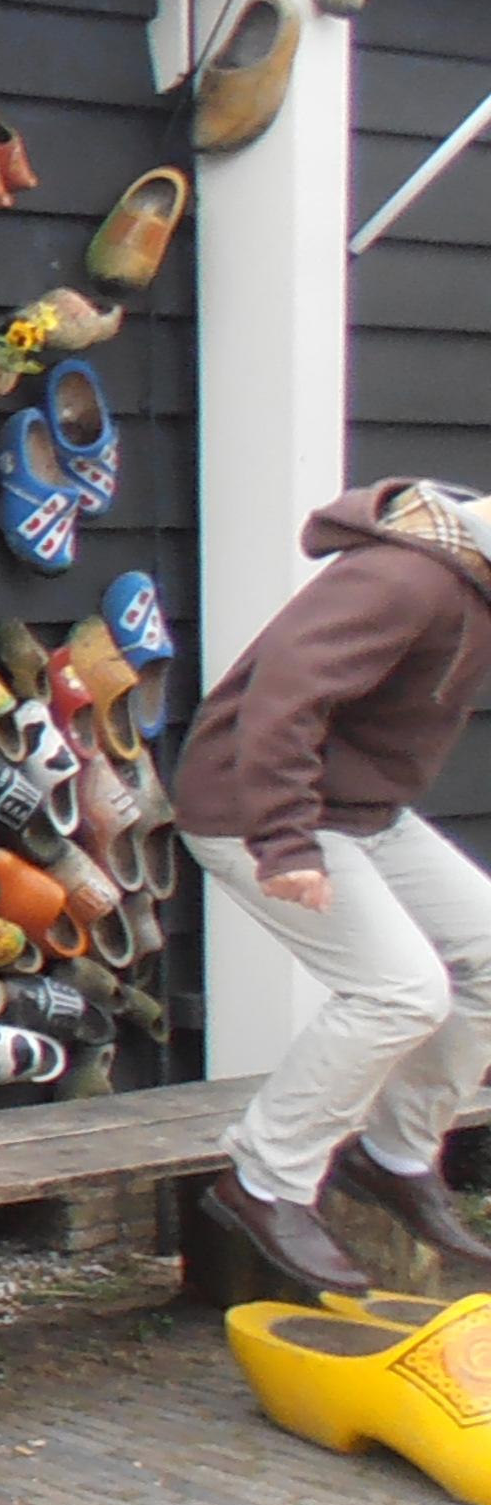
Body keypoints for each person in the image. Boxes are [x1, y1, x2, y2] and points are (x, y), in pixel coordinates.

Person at [170, 480, 491, 1299]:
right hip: (254, 810)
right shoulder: (404, 579)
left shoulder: (470, 581)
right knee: (400, 992)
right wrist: (285, 840)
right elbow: (285, 697)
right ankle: (264, 1181)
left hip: (362, 812)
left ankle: (394, 1154)